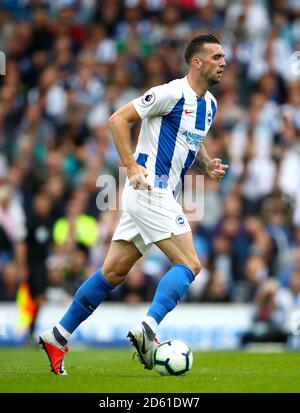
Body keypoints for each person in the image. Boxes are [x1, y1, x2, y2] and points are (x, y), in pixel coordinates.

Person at [39, 34, 228, 375]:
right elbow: (117, 119)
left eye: (223, 56)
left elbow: (193, 144)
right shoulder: (169, 93)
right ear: (196, 62)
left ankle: (57, 335)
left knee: (112, 272)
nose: (223, 62)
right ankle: (149, 329)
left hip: (159, 195)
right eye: (216, 56)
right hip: (148, 188)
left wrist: (207, 164)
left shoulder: (210, 105)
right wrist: (130, 164)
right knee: (191, 263)